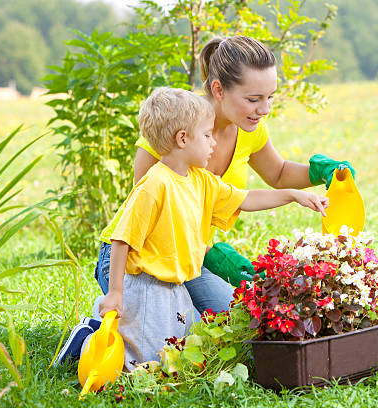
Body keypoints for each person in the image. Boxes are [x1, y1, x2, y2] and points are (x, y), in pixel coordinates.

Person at [54, 87, 329, 369]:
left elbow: (246, 199)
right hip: (146, 279)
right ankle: (88, 336)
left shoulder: (201, 179)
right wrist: (116, 293)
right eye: (207, 136)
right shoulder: (154, 185)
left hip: (174, 279)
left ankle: (120, 333)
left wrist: (295, 195)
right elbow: (122, 240)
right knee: (147, 359)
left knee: (183, 344)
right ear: (183, 139)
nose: (214, 144)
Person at [93, 36, 355, 316]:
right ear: (218, 89)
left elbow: (277, 173)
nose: (264, 109)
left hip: (187, 260)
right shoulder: (175, 125)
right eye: (253, 99)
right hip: (140, 258)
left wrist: (320, 172)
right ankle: (95, 326)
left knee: (234, 319)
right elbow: (150, 218)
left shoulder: (250, 128)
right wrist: (211, 254)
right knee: (178, 328)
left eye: (269, 97)